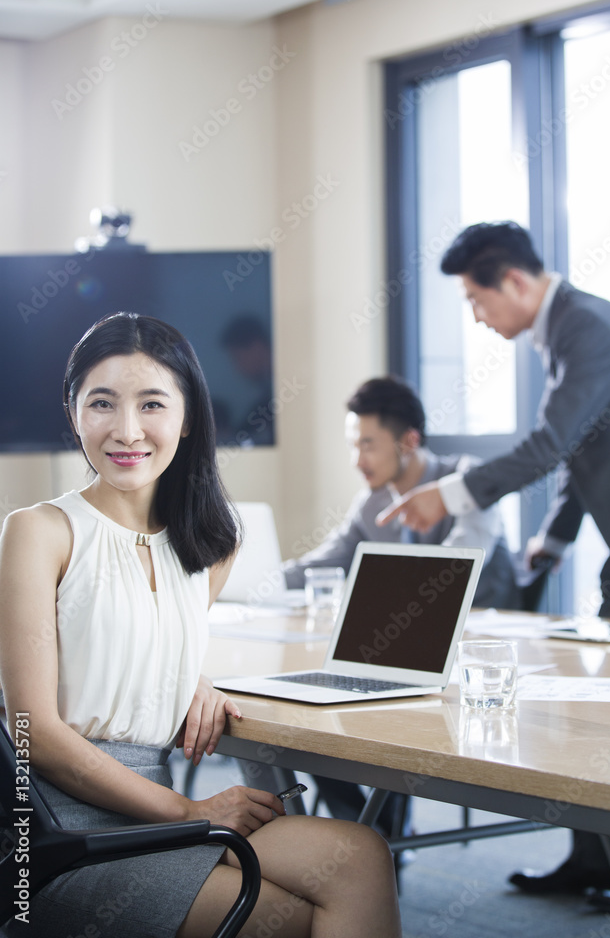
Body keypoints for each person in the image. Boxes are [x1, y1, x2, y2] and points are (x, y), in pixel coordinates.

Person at [0, 312, 401, 938]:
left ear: (187, 418)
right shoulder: (39, 531)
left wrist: (191, 677)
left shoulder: (210, 545)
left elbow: (145, 638)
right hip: (59, 834)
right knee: (290, 918)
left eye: (152, 404)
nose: (126, 429)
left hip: (159, 811)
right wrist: (190, 809)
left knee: (361, 856)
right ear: (74, 412)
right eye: (101, 403)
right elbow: (33, 735)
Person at [377, 221, 610, 909]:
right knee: (600, 694)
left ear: (512, 281)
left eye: (476, 301)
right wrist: (555, 540)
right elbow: (583, 448)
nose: (476, 318)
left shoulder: (586, 327)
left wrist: (445, 494)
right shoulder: (570, 330)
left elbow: (548, 444)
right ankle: (593, 858)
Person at [280, 375, 518, 835]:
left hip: (478, 661)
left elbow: (459, 563)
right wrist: (255, 575)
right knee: (304, 724)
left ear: (409, 441)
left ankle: (376, 834)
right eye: (354, 445)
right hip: (402, 655)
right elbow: (326, 561)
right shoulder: (371, 503)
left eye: (368, 445)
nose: (358, 460)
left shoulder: (464, 480)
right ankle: (372, 834)